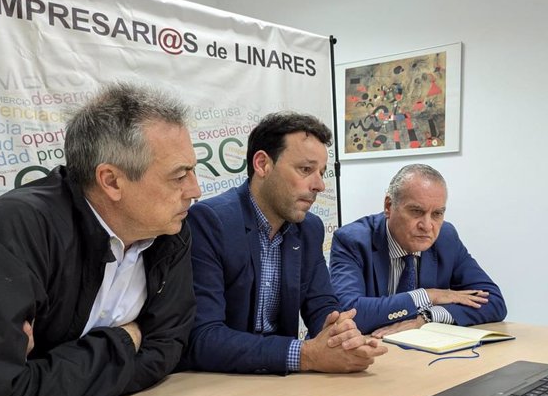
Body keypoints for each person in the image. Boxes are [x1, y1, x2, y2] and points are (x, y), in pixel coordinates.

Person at [0, 83, 201, 396]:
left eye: (193, 170)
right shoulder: (17, 229)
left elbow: (168, 347)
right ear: (111, 181)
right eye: (179, 175)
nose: (195, 189)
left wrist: (53, 374)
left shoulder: (171, 231)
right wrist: (127, 339)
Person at [179, 112, 387, 374]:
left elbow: (322, 304)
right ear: (263, 164)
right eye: (306, 170)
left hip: (280, 380)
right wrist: (307, 355)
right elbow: (204, 337)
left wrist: (341, 334)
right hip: (218, 380)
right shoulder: (211, 222)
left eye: (321, 172)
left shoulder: (309, 228)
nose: (320, 185)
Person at [330, 164, 507, 337]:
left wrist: (428, 317)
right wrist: (429, 296)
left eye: (437, 214)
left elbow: (493, 302)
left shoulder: (446, 238)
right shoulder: (352, 240)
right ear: (389, 206)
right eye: (416, 211)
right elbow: (347, 313)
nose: (427, 226)